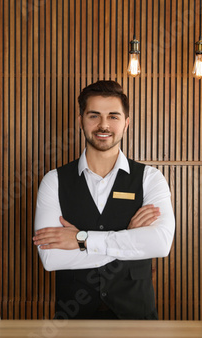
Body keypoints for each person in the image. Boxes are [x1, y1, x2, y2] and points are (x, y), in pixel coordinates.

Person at [33, 80, 175, 320]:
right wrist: (129, 237)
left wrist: (81, 239)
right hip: (73, 323)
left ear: (126, 124)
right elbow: (51, 257)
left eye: (113, 116)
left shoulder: (150, 178)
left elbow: (160, 244)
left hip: (136, 322)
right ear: (80, 121)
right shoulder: (54, 180)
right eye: (94, 116)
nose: (103, 125)